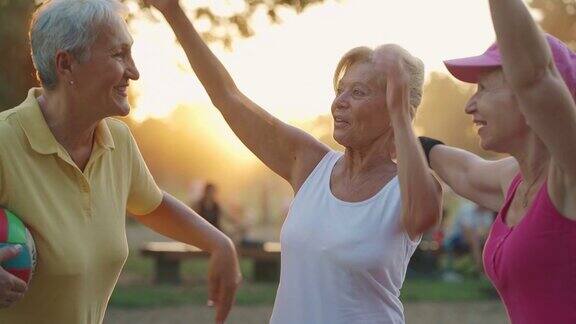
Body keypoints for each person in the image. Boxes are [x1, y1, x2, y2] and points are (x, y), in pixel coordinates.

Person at [145, 1, 443, 323]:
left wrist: (401, 115)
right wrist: (172, 12)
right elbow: (227, 97)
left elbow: (424, 218)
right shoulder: (309, 163)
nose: (339, 102)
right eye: (340, 90)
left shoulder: (410, 189)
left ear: (396, 108)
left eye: (358, 92)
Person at [0, 1, 241, 323]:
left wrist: (219, 243)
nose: (134, 71)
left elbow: (151, 203)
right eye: (118, 54)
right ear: (66, 64)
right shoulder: (5, 141)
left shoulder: (118, 142)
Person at [419, 0, 576, 322]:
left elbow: (536, 78)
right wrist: (406, 142)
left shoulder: (569, 177)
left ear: (530, 102)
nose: (469, 105)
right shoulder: (514, 179)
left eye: (484, 89)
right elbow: (464, 171)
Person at [442, 200, 493, 281]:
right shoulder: (467, 209)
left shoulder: (487, 213)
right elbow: (467, 232)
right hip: (455, 238)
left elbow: (488, 233)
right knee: (474, 241)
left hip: (475, 238)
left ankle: (488, 271)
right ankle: (480, 270)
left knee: (490, 242)